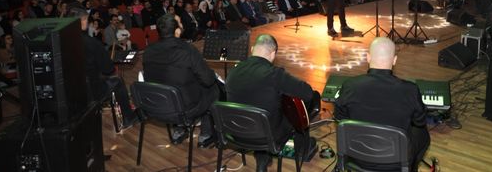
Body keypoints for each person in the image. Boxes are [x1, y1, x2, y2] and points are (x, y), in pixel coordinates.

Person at [225, 34, 320, 172]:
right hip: (268, 135)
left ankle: (262, 159)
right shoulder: (274, 74)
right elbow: (307, 93)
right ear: (273, 53)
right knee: (303, 106)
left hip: (237, 132)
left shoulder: (233, 71)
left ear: (252, 49)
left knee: (260, 111)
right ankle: (303, 148)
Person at [334, 37, 430, 170]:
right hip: (395, 162)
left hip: (357, 156)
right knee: (422, 133)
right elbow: (419, 121)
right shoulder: (410, 89)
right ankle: (411, 167)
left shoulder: (349, 85)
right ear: (395, 60)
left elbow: (339, 118)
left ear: (368, 57)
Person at [143, 13, 220, 147]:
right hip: (185, 107)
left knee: (176, 85)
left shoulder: (148, 51)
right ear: (177, 30)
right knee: (213, 88)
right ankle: (205, 135)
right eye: (179, 23)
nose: (182, 24)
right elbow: (207, 80)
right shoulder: (187, 50)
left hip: (159, 105)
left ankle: (180, 130)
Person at [67, 6, 138, 129]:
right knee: (118, 81)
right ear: (83, 20)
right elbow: (108, 69)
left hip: (72, 91)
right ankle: (128, 118)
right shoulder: (91, 43)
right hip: (92, 91)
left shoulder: (63, 40)